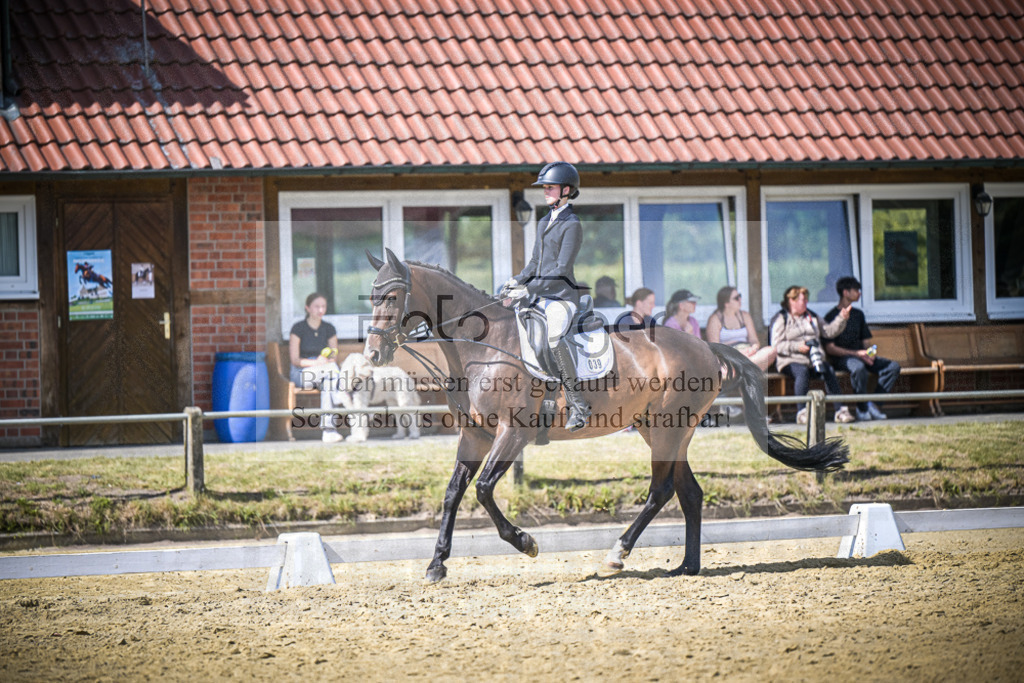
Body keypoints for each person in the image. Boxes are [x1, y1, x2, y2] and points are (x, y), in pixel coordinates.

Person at [500, 161, 590, 432]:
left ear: (566, 190)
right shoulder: (543, 221)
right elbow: (535, 263)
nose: (545, 192)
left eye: (550, 187)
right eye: (545, 187)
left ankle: (578, 404)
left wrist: (529, 289)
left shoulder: (572, 224)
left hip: (562, 297)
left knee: (553, 338)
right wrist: (516, 280)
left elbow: (561, 269)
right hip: (541, 295)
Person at [770, 285, 854, 425]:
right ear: (791, 300)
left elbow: (829, 331)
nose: (806, 303)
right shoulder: (781, 318)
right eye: (802, 300)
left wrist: (841, 318)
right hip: (790, 360)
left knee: (828, 370)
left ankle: (840, 411)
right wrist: (797, 346)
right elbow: (776, 346)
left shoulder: (811, 316)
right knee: (802, 372)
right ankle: (802, 413)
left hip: (813, 359)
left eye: (806, 299)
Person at [823, 276, 902, 421]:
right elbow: (830, 348)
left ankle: (874, 404)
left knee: (893, 367)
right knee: (859, 368)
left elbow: (866, 342)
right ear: (846, 292)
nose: (859, 293)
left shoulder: (859, 315)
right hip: (842, 359)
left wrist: (870, 354)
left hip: (861, 356)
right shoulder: (831, 316)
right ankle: (862, 409)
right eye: (856, 290)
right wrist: (857, 354)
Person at [290, 292, 343, 443]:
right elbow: (295, 360)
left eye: (323, 306)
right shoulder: (298, 328)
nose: (320, 310)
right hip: (302, 373)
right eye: (316, 306)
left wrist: (325, 362)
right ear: (307, 308)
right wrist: (316, 363)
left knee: (329, 383)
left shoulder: (329, 328)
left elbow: (334, 355)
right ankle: (341, 394)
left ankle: (328, 431)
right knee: (332, 373)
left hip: (325, 373)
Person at [705, 286, 777, 372]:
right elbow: (715, 347)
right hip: (728, 356)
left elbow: (754, 340)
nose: (740, 299)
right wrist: (737, 354)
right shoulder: (715, 319)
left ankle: (741, 370)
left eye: (740, 296)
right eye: (736, 298)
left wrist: (753, 349)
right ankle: (745, 370)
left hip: (748, 355)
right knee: (725, 368)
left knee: (771, 351)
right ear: (726, 303)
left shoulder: (745, 316)